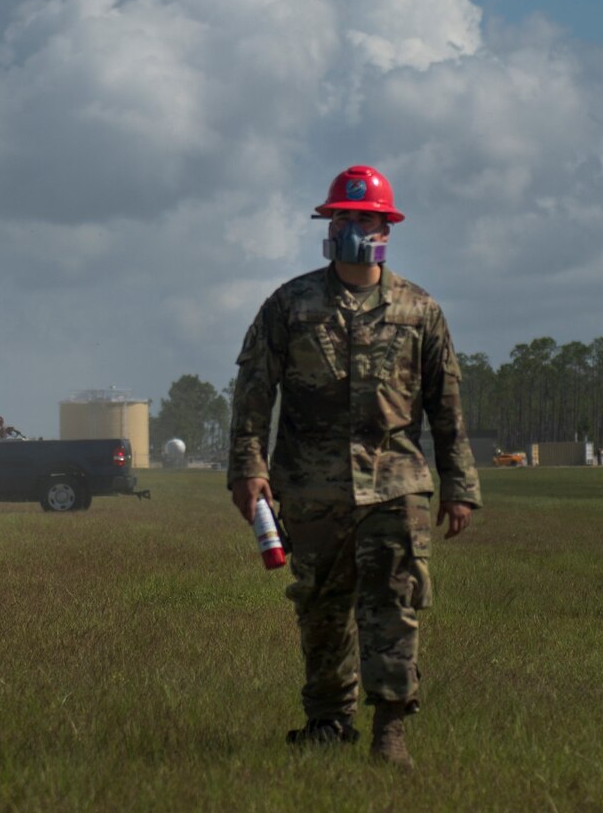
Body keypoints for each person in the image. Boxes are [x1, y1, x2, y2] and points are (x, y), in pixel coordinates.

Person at [227, 164, 482, 771]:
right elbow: (254, 391)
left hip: (396, 485)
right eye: (343, 217)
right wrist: (247, 466)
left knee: (394, 605)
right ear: (328, 224)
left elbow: (446, 404)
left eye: (364, 218)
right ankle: (328, 722)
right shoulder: (289, 306)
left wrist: (460, 484)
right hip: (311, 487)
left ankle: (390, 733)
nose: (353, 227)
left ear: (385, 227)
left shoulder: (420, 311)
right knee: (319, 607)